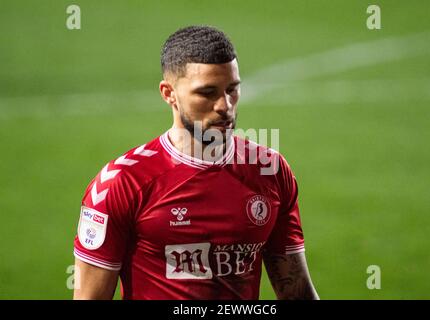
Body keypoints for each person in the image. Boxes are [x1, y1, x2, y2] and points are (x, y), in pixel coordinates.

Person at [73, 25, 319, 300]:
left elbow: (297, 292)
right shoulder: (121, 183)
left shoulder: (270, 170)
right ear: (169, 93)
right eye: (207, 93)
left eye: (232, 90)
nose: (224, 106)